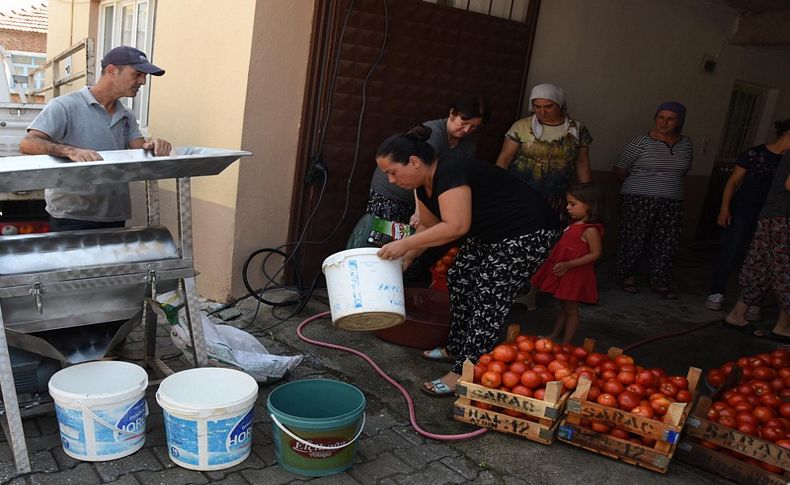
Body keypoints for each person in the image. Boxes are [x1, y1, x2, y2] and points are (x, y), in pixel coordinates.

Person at [375, 126, 561, 397]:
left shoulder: (450, 172)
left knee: (489, 293)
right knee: (460, 276)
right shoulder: (422, 186)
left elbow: (457, 226)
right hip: (492, 232)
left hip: (528, 230)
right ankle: (456, 347)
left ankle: (467, 369)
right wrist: (407, 257)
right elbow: (428, 227)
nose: (391, 180)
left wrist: (402, 243)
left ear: (414, 161)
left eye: (393, 171)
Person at [19, 45, 172, 231]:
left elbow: (140, 149)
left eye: (144, 76)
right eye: (137, 74)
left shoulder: (126, 115)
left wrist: (154, 146)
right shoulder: (65, 106)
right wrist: (69, 150)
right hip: (72, 215)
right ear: (112, 70)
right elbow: (28, 143)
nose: (143, 82)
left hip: (114, 213)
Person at [706, 120, 790, 313]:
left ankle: (752, 302)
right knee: (730, 252)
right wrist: (724, 208)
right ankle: (716, 292)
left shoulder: (787, 161)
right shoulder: (755, 154)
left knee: (762, 260)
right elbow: (733, 181)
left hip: (771, 217)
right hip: (743, 212)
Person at [366, 96, 489, 224]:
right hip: (392, 193)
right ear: (452, 113)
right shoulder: (434, 134)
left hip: (419, 201)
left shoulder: (469, 145)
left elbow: (458, 177)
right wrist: (419, 212)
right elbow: (418, 173)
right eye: (464, 123)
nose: (467, 130)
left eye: (473, 127)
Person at [613, 101, 693, 299]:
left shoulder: (686, 144)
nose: (664, 123)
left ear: (679, 121)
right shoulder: (641, 142)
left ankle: (659, 279)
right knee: (634, 238)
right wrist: (639, 187)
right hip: (639, 199)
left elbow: (684, 170)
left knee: (666, 241)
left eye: (670, 119)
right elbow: (620, 168)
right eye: (660, 117)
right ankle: (627, 276)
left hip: (672, 201)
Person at [495, 83, 592, 224]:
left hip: (557, 193)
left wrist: (587, 192)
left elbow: (582, 161)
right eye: (537, 106)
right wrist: (496, 183)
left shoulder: (577, 129)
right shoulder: (521, 126)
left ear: (560, 105)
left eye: (548, 106)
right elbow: (505, 157)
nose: (542, 112)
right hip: (521, 190)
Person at [724, 152, 790, 339]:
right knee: (785, 271)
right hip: (783, 219)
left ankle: (737, 315)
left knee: (760, 268)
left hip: (773, 217)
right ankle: (784, 326)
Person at [531, 183, 604, 344]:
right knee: (564, 308)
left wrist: (569, 264)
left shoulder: (590, 230)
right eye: (567, 203)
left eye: (573, 204)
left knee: (571, 310)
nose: (567, 207)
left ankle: (566, 343)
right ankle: (555, 335)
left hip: (575, 274)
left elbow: (596, 254)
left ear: (590, 206)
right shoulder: (574, 224)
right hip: (565, 272)